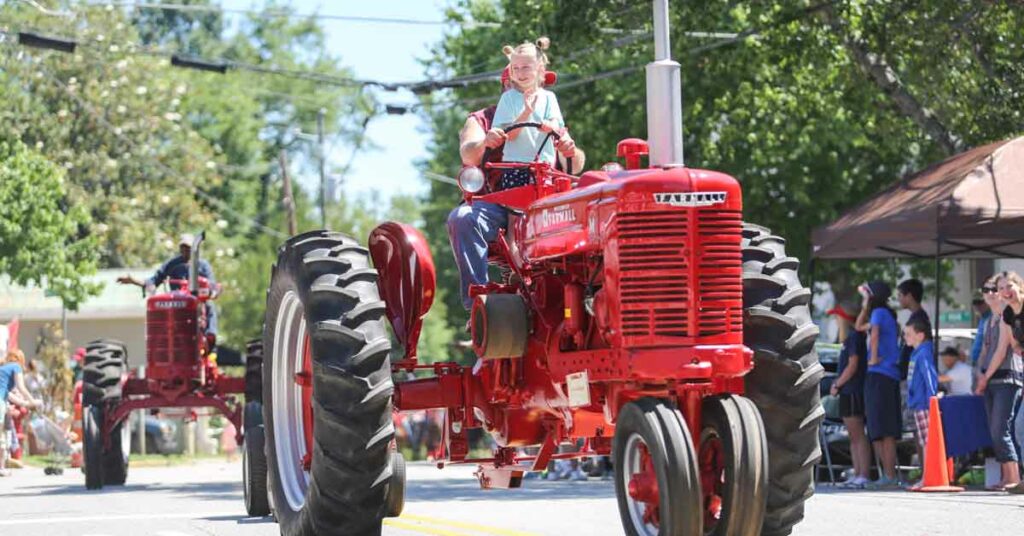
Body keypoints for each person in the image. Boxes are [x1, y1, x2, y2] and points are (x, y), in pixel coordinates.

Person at [448, 37, 584, 315]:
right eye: (514, 75)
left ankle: (579, 299)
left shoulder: (549, 105)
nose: (520, 80)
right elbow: (468, 154)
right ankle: (479, 304)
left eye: (528, 71)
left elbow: (576, 163)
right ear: (506, 83)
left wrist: (569, 148)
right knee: (463, 219)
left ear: (538, 74)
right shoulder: (482, 120)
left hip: (546, 193)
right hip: (498, 200)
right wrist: (486, 141)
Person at [117, 233, 219, 340]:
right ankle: (161, 340)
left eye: (188, 248)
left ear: (194, 249)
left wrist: (210, 291)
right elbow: (155, 280)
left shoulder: (203, 265)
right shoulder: (172, 264)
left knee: (209, 305)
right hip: (176, 302)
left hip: (196, 301)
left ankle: (210, 336)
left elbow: (211, 285)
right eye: (182, 247)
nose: (185, 250)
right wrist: (134, 281)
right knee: (161, 309)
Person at [974, 273, 1023, 491]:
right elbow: (989, 349)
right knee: (1002, 429)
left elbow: (1006, 348)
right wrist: (980, 372)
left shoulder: (1007, 313)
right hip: (992, 377)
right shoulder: (993, 319)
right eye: (988, 290)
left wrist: (985, 376)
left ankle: (1013, 477)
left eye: (997, 289)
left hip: (1008, 376)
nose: (993, 293)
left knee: (1004, 428)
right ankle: (1008, 478)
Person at [854, 280, 902, 488]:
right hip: (883, 376)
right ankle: (887, 476)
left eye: (866, 295)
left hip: (881, 374)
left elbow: (873, 335)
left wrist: (873, 358)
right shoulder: (883, 314)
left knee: (883, 429)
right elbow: (858, 326)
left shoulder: (880, 313)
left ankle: (889, 476)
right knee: (878, 429)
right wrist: (865, 305)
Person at [828, 301, 871, 488]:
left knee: (858, 435)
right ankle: (857, 472)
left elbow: (852, 366)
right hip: (847, 390)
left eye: (838, 317)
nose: (836, 321)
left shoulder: (854, 337)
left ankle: (863, 474)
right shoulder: (849, 339)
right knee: (853, 437)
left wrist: (837, 384)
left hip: (853, 390)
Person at [0, 350, 42, 476]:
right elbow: (21, 387)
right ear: (21, 360)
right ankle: (1, 469)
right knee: (0, 437)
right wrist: (33, 402)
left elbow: (10, 396)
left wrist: (28, 403)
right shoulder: (16, 366)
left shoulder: (3, 370)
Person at [904, 318, 938, 463]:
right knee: (924, 441)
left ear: (920, 335)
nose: (905, 337)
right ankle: (926, 476)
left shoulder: (923, 354)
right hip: (918, 402)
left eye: (909, 334)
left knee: (927, 442)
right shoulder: (917, 353)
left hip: (924, 403)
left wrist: (932, 400)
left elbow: (930, 376)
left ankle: (928, 476)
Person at [897, 279, 931, 380]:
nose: (898, 299)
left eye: (900, 295)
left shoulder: (919, 319)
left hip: (915, 374)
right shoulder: (917, 317)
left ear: (909, 296)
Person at [971, 296, 992, 366]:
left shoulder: (991, 318)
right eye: (975, 303)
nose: (978, 306)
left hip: (986, 361)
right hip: (978, 361)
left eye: (981, 303)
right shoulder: (982, 319)